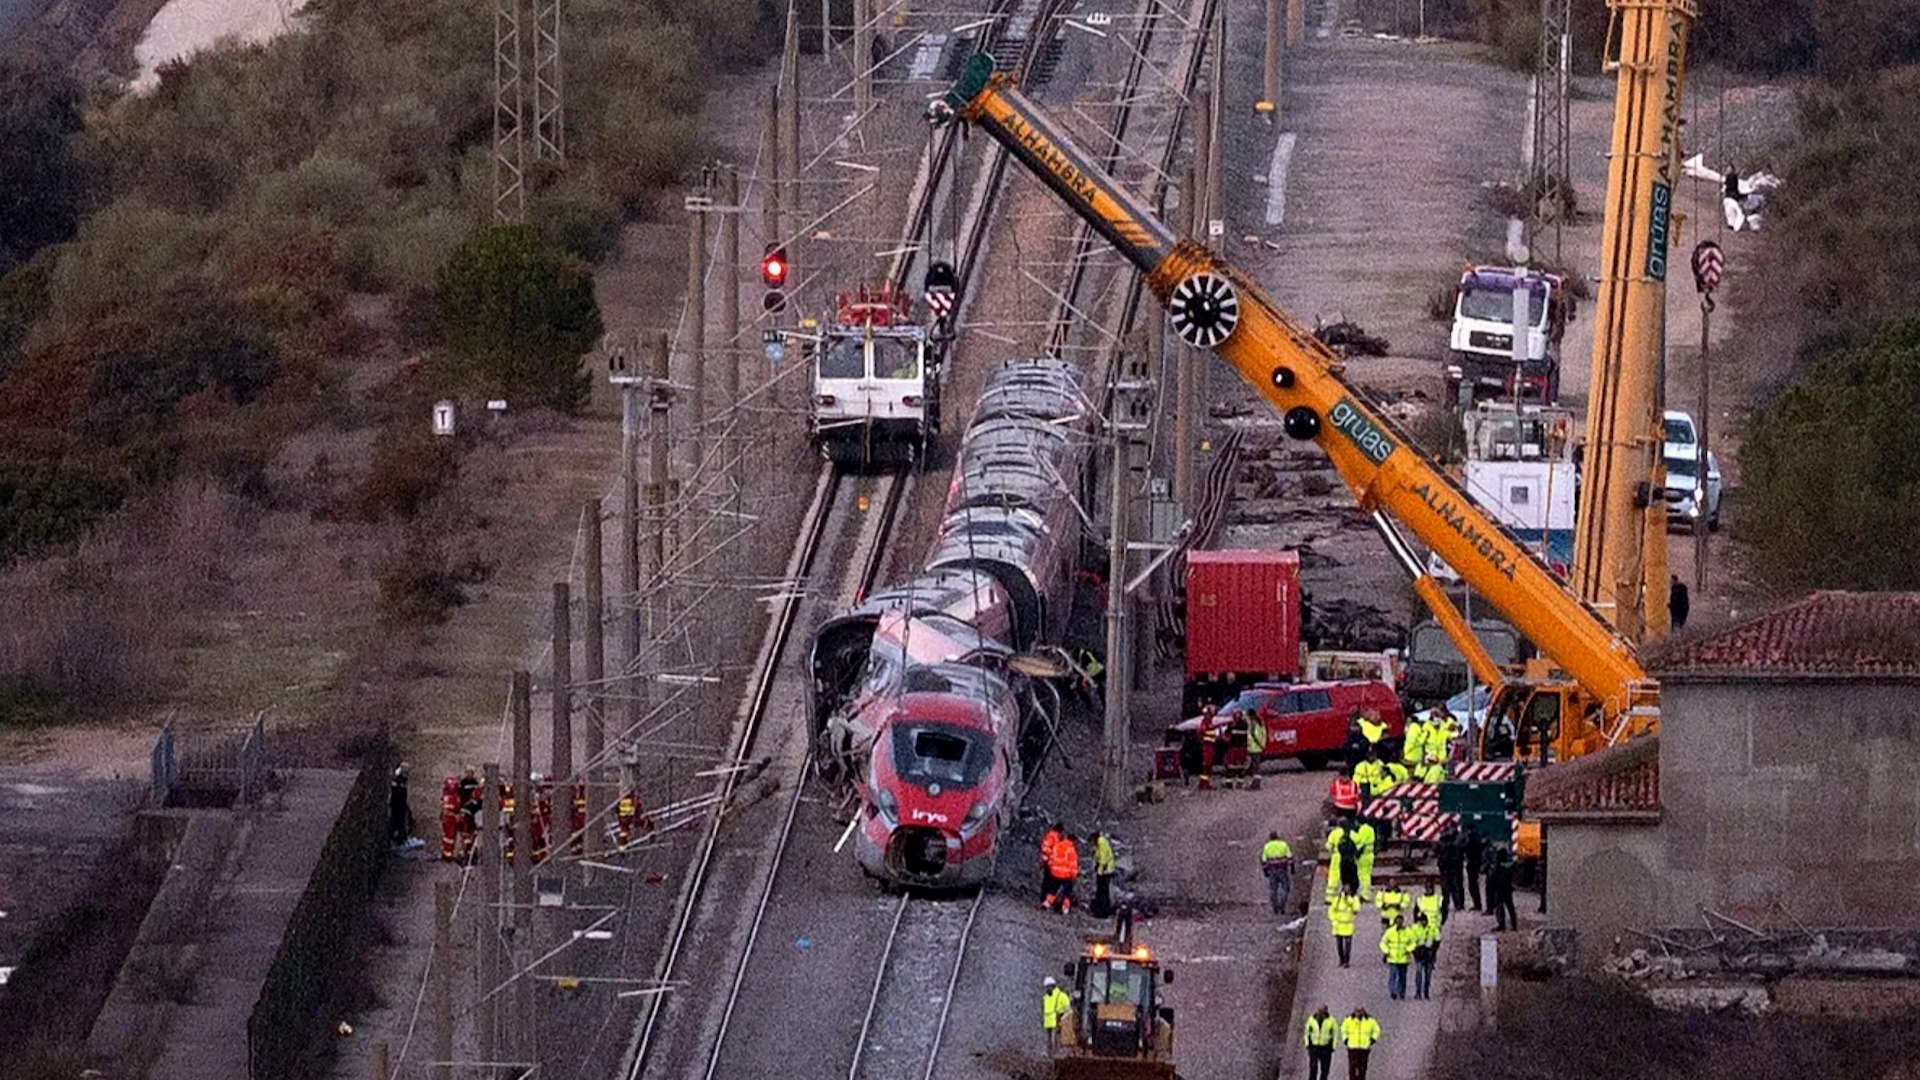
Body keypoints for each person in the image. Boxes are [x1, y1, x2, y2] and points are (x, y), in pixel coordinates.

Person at [1380, 912, 1414, 1001]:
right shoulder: (1390, 932)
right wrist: (1386, 951)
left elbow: (1413, 942)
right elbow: (1383, 942)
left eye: (1401, 921)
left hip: (1403, 959)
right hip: (1393, 958)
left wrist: (1408, 949)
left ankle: (1401, 992)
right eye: (1398, 921)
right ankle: (1393, 991)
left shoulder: (1408, 932)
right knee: (1393, 976)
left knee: (1402, 977)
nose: (1399, 923)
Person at [1435, 822, 1466, 920]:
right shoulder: (1454, 843)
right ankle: (1458, 905)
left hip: (1446, 867)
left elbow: (1436, 851)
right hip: (1452, 867)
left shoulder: (1442, 843)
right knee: (1454, 887)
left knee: (1446, 889)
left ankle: (1447, 905)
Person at [1045, 831, 1080, 914]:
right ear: (1073, 841)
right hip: (1066, 875)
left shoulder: (1057, 845)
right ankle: (1065, 908)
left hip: (1055, 873)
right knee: (1067, 892)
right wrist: (1074, 876)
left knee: (1052, 889)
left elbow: (1051, 858)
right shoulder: (1071, 850)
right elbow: (1073, 864)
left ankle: (1047, 903)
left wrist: (1051, 869)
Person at [1341, 1006, 1381, 1080]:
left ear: (1363, 1011)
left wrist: (1372, 1040)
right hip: (1352, 1047)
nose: (1358, 1013)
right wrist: (1345, 1039)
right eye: (1357, 1011)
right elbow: (1343, 1029)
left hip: (1364, 1048)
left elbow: (1377, 1030)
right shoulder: (1348, 1020)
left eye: (1360, 1011)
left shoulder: (1370, 1020)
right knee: (1352, 1067)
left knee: (1362, 1067)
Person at [1261, 831, 1295, 916]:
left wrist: (1265, 871)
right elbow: (1290, 857)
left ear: (1270, 838)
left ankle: (1275, 907)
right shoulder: (1283, 845)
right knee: (1285, 888)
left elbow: (1264, 860)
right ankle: (1282, 906)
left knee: (1273, 889)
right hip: (1282, 869)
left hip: (1272, 870)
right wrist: (1292, 868)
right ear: (1278, 837)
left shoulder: (1267, 846)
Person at [1487, 844, 1519, 931]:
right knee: (1510, 907)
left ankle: (1502, 925)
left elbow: (1493, 876)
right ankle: (1514, 925)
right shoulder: (1509, 865)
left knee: (1500, 907)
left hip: (1500, 888)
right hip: (1508, 888)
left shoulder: (1498, 865)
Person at [1325, 819, 1358, 902]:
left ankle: (1330, 897)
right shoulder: (1351, 833)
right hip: (1347, 857)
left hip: (1336, 856)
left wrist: (1332, 851)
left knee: (1333, 875)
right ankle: (1348, 894)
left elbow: (1328, 846)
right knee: (1347, 876)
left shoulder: (1334, 833)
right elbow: (1357, 843)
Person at [1328, 885, 1360, 968]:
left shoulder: (1354, 899)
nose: (1346, 892)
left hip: (1348, 924)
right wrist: (1333, 920)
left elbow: (1356, 909)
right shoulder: (1337, 899)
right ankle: (1341, 959)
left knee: (1348, 944)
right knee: (1339, 944)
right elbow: (1331, 910)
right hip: (1338, 925)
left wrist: (1349, 900)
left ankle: (1346, 961)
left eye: (1348, 890)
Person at [1302, 1004, 1337, 1080]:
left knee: (1325, 1069)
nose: (1320, 1013)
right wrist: (1307, 1044)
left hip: (1325, 1047)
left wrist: (1333, 1047)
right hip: (1314, 1047)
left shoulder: (1331, 1021)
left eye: (1322, 1011)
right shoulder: (1311, 1020)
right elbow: (1307, 1032)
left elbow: (1335, 1034)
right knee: (1313, 1067)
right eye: (1319, 1011)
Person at [1410, 910, 1439, 1000]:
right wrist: (1415, 952)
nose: (1423, 922)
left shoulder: (1433, 928)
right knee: (1419, 974)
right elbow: (1411, 941)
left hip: (1429, 952)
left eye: (1424, 920)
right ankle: (1418, 992)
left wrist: (1433, 952)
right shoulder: (1414, 928)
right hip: (1419, 952)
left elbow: (1437, 940)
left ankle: (1426, 992)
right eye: (1421, 920)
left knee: (1428, 975)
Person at [457, 767, 482, 862]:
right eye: (467, 772)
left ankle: (472, 851)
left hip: (473, 813)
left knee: (472, 833)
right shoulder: (463, 783)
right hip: (466, 812)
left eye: (470, 772)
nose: (469, 774)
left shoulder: (475, 784)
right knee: (465, 833)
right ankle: (466, 851)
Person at [1041, 976, 1073, 1051]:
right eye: (1046, 987)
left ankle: (1055, 1052)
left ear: (1053, 986)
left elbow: (1068, 1010)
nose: (1047, 989)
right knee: (1049, 1043)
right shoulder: (1045, 998)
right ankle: (1050, 1053)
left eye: (1048, 987)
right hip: (1048, 1024)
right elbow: (1045, 1011)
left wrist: (1063, 1018)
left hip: (1058, 1023)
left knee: (1056, 1041)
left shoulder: (1062, 996)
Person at [1092, 830, 1117, 917]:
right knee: (1104, 891)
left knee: (1102, 891)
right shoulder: (1102, 842)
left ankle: (1102, 911)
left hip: (1105, 871)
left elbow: (1103, 858)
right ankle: (1104, 909)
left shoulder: (1101, 842)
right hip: (1107, 870)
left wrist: (1100, 870)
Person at [1351, 818, 1377, 901]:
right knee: (1367, 874)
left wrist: (1351, 834)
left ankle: (1364, 894)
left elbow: (1360, 843)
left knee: (1362, 875)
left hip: (1363, 855)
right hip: (1370, 854)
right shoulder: (1371, 829)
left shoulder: (1363, 830)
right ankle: (1366, 893)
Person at [439, 775, 461, 861]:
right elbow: (457, 807)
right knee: (450, 838)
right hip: (451, 819)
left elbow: (442, 806)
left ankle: (446, 853)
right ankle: (448, 855)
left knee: (446, 837)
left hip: (446, 818)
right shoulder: (455, 797)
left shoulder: (445, 796)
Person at [388, 764, 411, 847]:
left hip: (398, 804)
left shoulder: (397, 782)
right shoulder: (399, 784)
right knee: (397, 819)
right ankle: (397, 836)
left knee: (398, 818)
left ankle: (398, 836)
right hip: (398, 805)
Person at [1464, 827, 1486, 912]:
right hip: (1475, 865)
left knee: (1472, 886)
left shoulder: (1472, 842)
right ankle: (1477, 904)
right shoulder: (1478, 842)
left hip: (1472, 865)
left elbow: (1467, 850)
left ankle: (1477, 905)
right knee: (1474, 886)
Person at [1040, 822, 1063, 895]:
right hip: (1050, 863)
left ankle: (1045, 898)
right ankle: (1045, 898)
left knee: (1048, 881)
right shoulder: (1053, 836)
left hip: (1050, 862)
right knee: (1049, 881)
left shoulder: (1052, 836)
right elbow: (1047, 848)